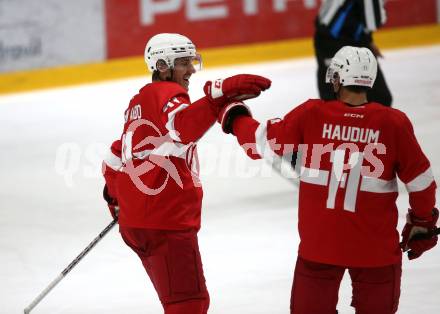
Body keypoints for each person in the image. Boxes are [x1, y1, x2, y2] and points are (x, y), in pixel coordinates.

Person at [217, 46, 438, 314]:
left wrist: (234, 115)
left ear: (337, 79)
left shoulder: (311, 114)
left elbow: (259, 143)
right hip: (376, 253)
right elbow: (422, 183)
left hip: (318, 250)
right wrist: (422, 222)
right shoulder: (394, 123)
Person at [101, 33, 271, 314]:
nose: (191, 69)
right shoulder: (168, 95)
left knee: (177, 300)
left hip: (136, 226)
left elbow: (113, 157)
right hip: (166, 224)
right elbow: (182, 127)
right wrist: (220, 92)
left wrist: (115, 197)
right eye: (183, 63)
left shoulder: (137, 104)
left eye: (191, 61)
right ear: (162, 66)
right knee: (189, 305)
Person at [314, 0, 393, 106]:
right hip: (334, 41)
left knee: (335, 99)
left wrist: (368, 40)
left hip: (332, 39)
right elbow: (373, 21)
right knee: (336, 100)